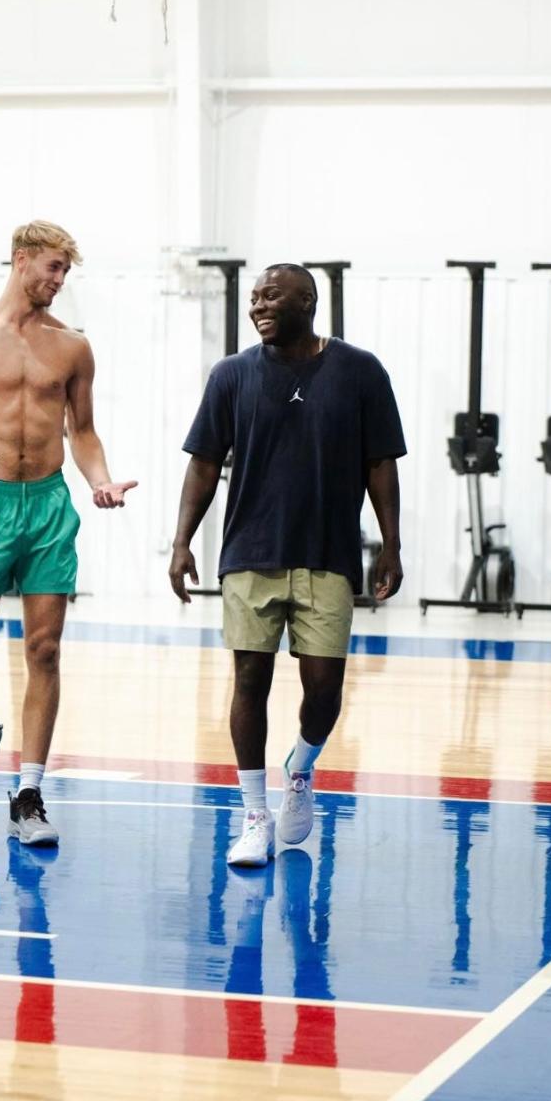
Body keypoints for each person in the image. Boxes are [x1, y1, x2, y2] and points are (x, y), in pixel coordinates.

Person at [169, 263, 405, 866]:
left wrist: (392, 543)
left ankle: (300, 767)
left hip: (328, 555)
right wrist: (182, 541)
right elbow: (202, 463)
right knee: (250, 679)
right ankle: (254, 815)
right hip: (249, 553)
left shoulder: (360, 371)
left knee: (324, 691)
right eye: (253, 298)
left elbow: (381, 462)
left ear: (308, 300)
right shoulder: (231, 375)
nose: (258, 306)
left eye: (271, 296)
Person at [0, 220, 136, 847]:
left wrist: (99, 479)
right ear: (21, 261)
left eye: (65, 271)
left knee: (43, 651)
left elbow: (85, 432)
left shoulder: (72, 347)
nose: (59, 280)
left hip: (47, 507)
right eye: (52, 268)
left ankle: (30, 793)